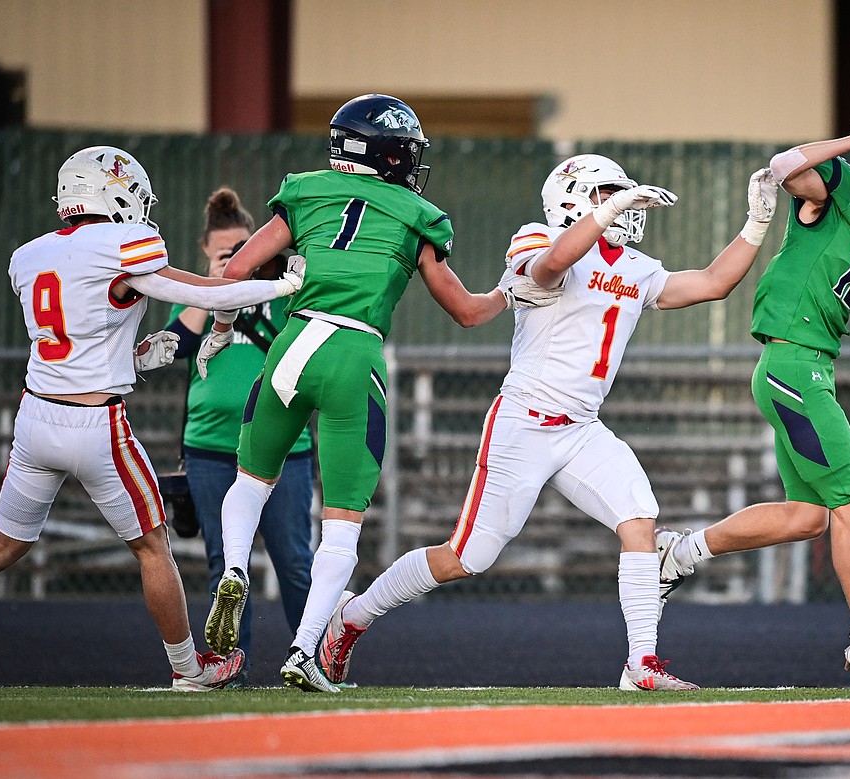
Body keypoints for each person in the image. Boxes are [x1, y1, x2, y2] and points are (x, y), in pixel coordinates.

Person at [315, 154, 780, 692]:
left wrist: (756, 223)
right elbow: (550, 267)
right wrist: (608, 214)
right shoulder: (537, 236)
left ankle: (642, 665)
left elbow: (711, 283)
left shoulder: (635, 266)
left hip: (581, 426)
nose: (621, 204)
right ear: (574, 197)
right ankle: (352, 618)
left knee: (639, 520)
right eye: (607, 193)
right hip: (524, 421)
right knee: (466, 557)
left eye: (620, 195)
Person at [196, 94, 555, 692]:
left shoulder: (305, 191)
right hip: (353, 356)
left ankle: (234, 566)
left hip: (291, 344)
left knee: (250, 481)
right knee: (341, 526)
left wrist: (224, 330)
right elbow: (466, 312)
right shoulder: (417, 213)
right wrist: (508, 292)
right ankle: (304, 650)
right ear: (391, 155)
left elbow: (234, 273)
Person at [0, 145, 305, 690]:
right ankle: (187, 667)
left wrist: (131, 356)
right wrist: (281, 285)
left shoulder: (27, 256)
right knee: (153, 548)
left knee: (2, 547)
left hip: (35, 419)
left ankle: (190, 666)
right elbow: (197, 289)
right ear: (111, 191)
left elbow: (73, 335)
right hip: (95, 424)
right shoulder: (123, 243)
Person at [654, 118, 850, 690]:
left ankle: (681, 553)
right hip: (794, 366)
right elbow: (788, 166)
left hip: (810, 369)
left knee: (810, 516)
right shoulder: (843, 193)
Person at [164, 188, 316, 672]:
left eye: (243, 249)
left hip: (283, 446)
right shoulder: (195, 295)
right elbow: (181, 344)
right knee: (225, 564)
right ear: (206, 249)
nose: (236, 257)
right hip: (210, 448)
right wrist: (215, 287)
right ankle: (231, 665)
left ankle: (312, 656)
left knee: (294, 561)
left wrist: (260, 277)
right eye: (224, 251)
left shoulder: (280, 293)